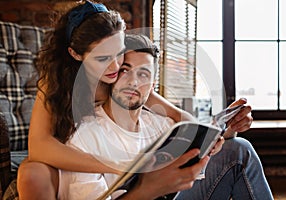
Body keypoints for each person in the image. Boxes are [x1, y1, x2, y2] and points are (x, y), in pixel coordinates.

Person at [16, 1, 206, 199]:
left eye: (119, 54)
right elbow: (39, 146)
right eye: (102, 58)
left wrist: (206, 139)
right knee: (32, 174)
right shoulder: (56, 83)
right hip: (60, 153)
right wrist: (113, 165)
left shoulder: (120, 80)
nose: (115, 66)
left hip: (101, 153)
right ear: (76, 54)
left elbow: (178, 115)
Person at [57, 34, 273, 200]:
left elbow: (199, 167)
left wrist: (227, 131)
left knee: (238, 148)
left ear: (152, 86)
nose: (133, 81)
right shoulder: (85, 136)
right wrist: (146, 191)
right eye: (125, 70)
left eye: (143, 74)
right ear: (111, 74)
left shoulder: (162, 126)